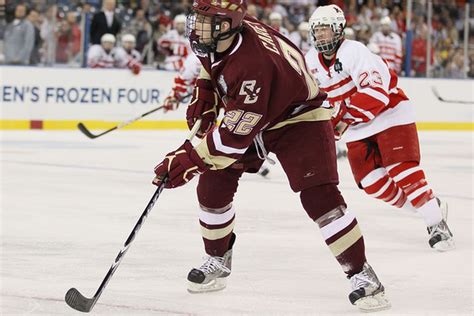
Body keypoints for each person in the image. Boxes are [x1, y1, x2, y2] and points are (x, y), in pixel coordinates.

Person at [152, 0, 390, 311]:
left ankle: (364, 276)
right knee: (212, 187)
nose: (196, 28)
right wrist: (205, 90)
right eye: (197, 19)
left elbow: (230, 142)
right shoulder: (223, 34)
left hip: (299, 116)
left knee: (320, 198)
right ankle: (217, 258)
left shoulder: (252, 66)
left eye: (205, 21)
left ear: (226, 25)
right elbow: (211, 64)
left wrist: (185, 161)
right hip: (261, 106)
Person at [305, 5, 454, 252]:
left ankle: (436, 223)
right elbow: (315, 100)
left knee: (401, 169)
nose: (321, 36)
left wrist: (341, 116)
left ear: (339, 30)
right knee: (371, 182)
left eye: (325, 30)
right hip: (357, 125)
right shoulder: (310, 61)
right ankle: (428, 206)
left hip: (390, 114)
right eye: (317, 31)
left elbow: (376, 94)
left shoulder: (355, 51)